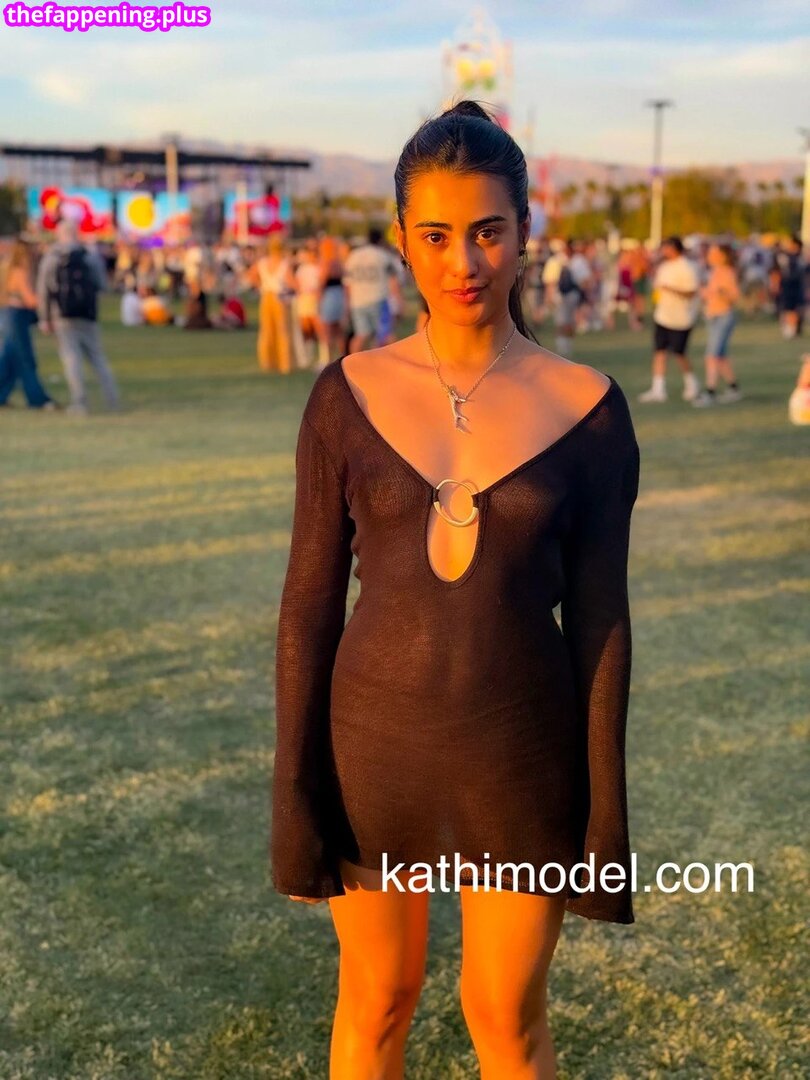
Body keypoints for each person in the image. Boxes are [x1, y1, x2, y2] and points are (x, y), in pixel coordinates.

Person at [270, 99, 641, 1078]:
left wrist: (605, 822)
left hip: (520, 754)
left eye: (487, 231)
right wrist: (295, 800)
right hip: (371, 750)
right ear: (401, 238)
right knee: (377, 1003)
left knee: (505, 1020)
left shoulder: (591, 410)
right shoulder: (346, 395)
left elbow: (601, 625)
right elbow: (308, 608)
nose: (463, 261)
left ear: (525, 231)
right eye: (435, 235)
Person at [36, 219, 120, 417]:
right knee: (97, 357)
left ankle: (80, 402)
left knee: (71, 359)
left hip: (62, 315)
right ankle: (112, 399)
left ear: (58, 234)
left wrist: (44, 318)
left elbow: (43, 289)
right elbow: (102, 285)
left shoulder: (52, 257)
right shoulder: (89, 256)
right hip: (88, 314)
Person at [638, 236, 701, 403]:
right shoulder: (664, 266)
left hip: (681, 318)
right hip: (663, 316)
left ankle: (692, 383)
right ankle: (658, 389)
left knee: (679, 353)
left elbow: (692, 292)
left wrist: (671, 289)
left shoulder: (687, 267)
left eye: (666, 248)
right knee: (659, 351)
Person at [0, 238, 60, 410]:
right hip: (16, 317)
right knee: (25, 359)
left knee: (10, 361)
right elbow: (30, 299)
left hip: (8, 315)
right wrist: (48, 301)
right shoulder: (19, 271)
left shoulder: (7, 268)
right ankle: (37, 398)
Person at [693, 243, 743, 407]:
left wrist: (720, 292)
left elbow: (734, 296)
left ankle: (710, 392)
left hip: (723, 316)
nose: (710, 256)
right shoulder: (714, 271)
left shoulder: (727, 272)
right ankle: (733, 388)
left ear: (722, 256)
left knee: (712, 356)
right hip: (713, 317)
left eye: (713, 253)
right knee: (720, 356)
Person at [343, 226, 402, 353]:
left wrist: (347, 303)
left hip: (357, 301)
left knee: (360, 335)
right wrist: (398, 301)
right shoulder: (383, 255)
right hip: (378, 298)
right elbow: (393, 280)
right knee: (386, 334)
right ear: (380, 240)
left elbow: (347, 283)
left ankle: (352, 361)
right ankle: (394, 361)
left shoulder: (354, 256)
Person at [249, 235, 295, 373]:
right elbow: (291, 282)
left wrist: (259, 285)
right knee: (282, 330)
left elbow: (251, 275)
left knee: (266, 331)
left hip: (266, 296)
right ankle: (284, 363)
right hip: (279, 298)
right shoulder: (284, 264)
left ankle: (267, 362)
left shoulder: (262, 262)